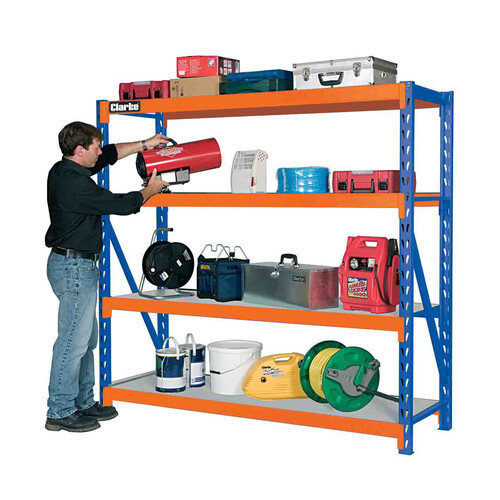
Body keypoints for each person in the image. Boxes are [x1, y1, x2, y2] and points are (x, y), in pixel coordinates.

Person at [45, 121, 170, 432]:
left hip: (76, 266)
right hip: (74, 268)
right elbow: (120, 204)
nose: (99, 152)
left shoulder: (65, 169)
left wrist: (145, 144)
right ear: (79, 150)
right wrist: (149, 191)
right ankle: (59, 411)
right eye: (95, 147)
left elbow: (111, 154)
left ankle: (83, 403)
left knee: (85, 340)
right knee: (73, 342)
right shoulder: (75, 184)